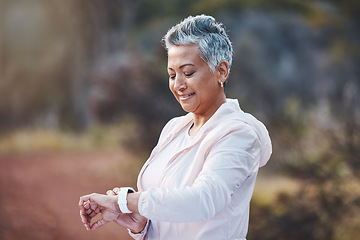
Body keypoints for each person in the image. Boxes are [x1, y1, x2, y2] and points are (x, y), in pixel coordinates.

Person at [79, 14, 272, 240]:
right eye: (172, 75)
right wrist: (142, 225)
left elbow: (205, 199)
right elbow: (170, 217)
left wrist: (125, 201)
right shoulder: (174, 129)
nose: (178, 84)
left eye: (188, 73)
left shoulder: (238, 134)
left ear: (221, 71)